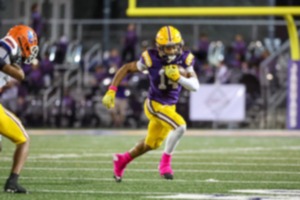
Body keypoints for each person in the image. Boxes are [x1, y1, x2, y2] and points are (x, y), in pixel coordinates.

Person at [102, 26, 200, 182]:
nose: (173, 50)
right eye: (169, 47)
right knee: (180, 126)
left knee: (151, 144)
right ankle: (165, 164)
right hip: (154, 105)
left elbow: (195, 86)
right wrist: (112, 90)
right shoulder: (150, 58)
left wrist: (179, 78)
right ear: (160, 47)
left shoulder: (185, 58)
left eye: (176, 46)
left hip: (169, 107)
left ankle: (122, 160)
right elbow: (127, 68)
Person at [0, 24, 39, 193]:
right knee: (23, 139)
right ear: (23, 40)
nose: (31, 50)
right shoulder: (8, 44)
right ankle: (12, 183)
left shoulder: (11, 52)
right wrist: (16, 72)